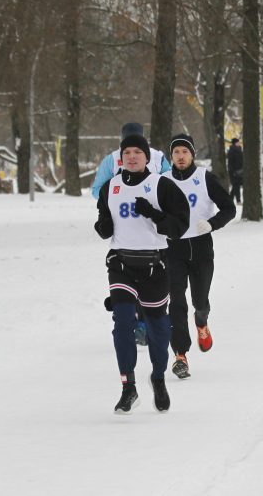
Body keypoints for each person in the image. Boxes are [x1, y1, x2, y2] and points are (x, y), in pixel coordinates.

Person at [94, 132, 190, 414]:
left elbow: (178, 226)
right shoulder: (109, 188)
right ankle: (128, 387)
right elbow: (104, 220)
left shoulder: (161, 185)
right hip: (121, 263)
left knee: (159, 331)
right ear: (120, 159)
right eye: (127, 153)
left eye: (138, 152)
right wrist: (103, 227)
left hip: (155, 265)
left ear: (147, 157)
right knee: (122, 322)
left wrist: (154, 214)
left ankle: (158, 377)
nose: (132, 157)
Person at [161, 134, 236, 379]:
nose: (180, 156)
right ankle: (180, 354)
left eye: (184, 152)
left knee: (199, 299)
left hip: (202, 246)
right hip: (173, 248)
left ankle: (201, 321)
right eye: (176, 153)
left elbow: (229, 208)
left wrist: (212, 224)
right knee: (177, 301)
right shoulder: (162, 181)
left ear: (192, 154)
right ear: (170, 157)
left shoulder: (204, 178)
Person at [91, 122, 171, 200]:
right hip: (121, 208)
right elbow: (97, 191)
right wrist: (119, 192)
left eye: (137, 151)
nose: (132, 156)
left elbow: (171, 185)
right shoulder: (112, 160)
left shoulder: (157, 157)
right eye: (127, 151)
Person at [227, 138, 244, 204]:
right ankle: (238, 200)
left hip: (240, 171)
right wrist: (233, 172)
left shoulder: (239, 150)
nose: (239, 143)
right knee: (236, 186)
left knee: (235, 186)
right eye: (238, 142)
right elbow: (230, 163)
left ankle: (230, 200)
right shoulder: (232, 151)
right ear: (235, 143)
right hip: (235, 172)